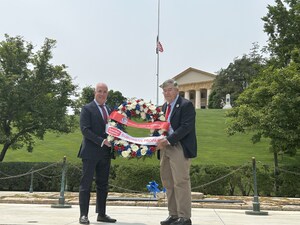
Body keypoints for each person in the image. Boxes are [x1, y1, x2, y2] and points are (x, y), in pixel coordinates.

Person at [156, 79, 197, 225]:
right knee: (168, 182)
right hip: (165, 148)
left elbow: (186, 127)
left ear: (176, 90)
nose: (167, 93)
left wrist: (168, 140)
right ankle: (173, 215)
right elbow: (160, 126)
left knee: (181, 181)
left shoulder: (186, 105)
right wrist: (153, 137)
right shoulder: (164, 107)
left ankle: (184, 217)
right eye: (164, 91)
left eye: (169, 90)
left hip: (179, 146)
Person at [77, 82, 116, 224]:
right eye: (99, 91)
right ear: (95, 92)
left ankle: (102, 214)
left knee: (103, 185)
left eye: (105, 91)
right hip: (90, 152)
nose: (102, 94)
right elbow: (85, 130)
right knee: (85, 184)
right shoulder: (87, 108)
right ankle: (83, 215)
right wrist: (102, 141)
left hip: (105, 153)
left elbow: (113, 129)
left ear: (107, 94)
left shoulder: (110, 109)